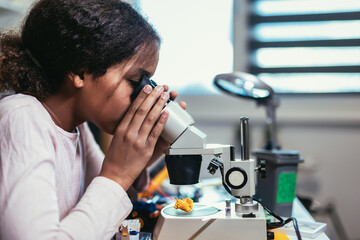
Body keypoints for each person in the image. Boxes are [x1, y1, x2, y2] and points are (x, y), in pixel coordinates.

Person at [0, 0, 185, 239]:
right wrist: (117, 175)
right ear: (79, 71)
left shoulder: (77, 128)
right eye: (135, 81)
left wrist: (140, 161)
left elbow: (101, 214)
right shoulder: (21, 118)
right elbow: (109, 186)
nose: (143, 95)